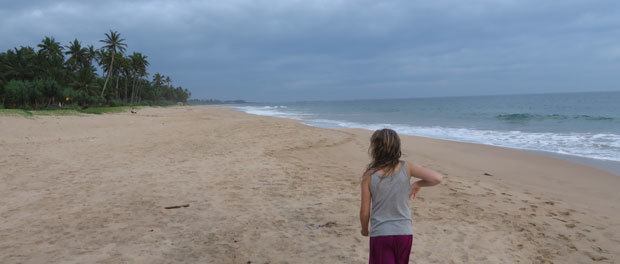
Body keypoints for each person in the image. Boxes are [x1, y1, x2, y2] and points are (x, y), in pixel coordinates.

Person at [360, 128, 443, 264]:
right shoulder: (407, 167)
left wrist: (364, 229)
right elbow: (437, 178)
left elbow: (364, 211)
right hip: (404, 232)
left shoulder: (369, 175)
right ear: (396, 147)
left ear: (375, 148)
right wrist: (418, 184)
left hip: (381, 233)